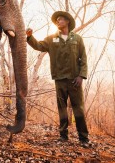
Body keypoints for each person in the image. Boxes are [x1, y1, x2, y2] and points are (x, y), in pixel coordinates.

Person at [26, 11, 90, 145]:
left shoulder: (77, 39)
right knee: (62, 108)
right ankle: (63, 136)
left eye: (60, 19)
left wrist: (81, 76)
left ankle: (83, 138)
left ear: (67, 22)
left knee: (78, 109)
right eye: (57, 20)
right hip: (59, 79)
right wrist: (30, 37)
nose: (58, 22)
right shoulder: (51, 39)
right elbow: (38, 45)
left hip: (74, 80)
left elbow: (83, 58)